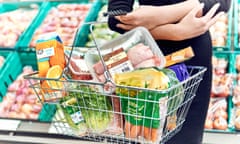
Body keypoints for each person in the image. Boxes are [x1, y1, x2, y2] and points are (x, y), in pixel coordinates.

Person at [107, 0, 232, 144]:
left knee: (186, 137)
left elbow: (221, 3)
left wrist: (160, 15)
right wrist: (173, 32)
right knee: (142, 133)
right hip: (147, 60)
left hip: (192, 61)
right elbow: (116, 17)